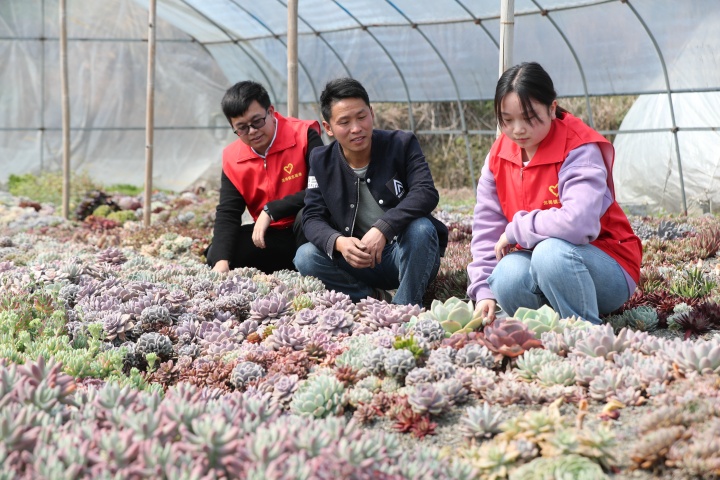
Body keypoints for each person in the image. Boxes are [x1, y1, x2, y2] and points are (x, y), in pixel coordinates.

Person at [467, 62, 642, 324]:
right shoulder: (498, 156)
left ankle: (583, 332)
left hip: (606, 264)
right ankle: (545, 332)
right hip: (542, 264)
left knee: (550, 253)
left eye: (529, 118)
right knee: (505, 274)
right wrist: (483, 291)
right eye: (507, 120)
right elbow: (487, 228)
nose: (518, 129)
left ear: (551, 108)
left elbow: (578, 223)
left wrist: (517, 229)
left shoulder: (579, 148)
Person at [294, 77, 448, 306]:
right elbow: (311, 216)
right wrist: (339, 242)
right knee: (305, 257)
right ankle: (372, 298)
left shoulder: (401, 144)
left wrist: (384, 228)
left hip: (404, 252)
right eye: (344, 122)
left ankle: (403, 309)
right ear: (328, 128)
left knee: (421, 229)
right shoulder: (321, 160)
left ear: (372, 113)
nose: (356, 128)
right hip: (358, 259)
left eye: (361, 117)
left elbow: (425, 192)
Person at [206, 81, 322, 274]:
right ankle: (287, 272)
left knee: (307, 215)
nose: (252, 131)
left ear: (271, 111)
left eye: (257, 121)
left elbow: (321, 189)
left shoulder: (304, 135)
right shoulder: (233, 158)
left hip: (310, 227)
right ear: (232, 127)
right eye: (242, 127)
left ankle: (310, 268)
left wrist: (271, 210)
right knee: (219, 252)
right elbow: (228, 212)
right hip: (273, 235)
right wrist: (221, 261)